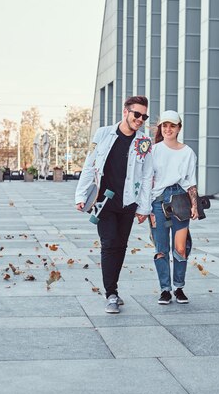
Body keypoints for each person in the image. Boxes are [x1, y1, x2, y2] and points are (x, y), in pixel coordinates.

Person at [75, 96, 153, 314]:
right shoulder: (103, 134)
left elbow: (147, 176)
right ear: (125, 112)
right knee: (109, 243)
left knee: (121, 246)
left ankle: (113, 290)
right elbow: (89, 165)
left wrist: (143, 208)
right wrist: (80, 196)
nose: (140, 119)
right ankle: (111, 293)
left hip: (129, 202)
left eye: (144, 116)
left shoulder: (144, 142)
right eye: (136, 114)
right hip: (104, 201)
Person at [149, 110, 198, 305]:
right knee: (161, 248)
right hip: (158, 202)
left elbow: (190, 181)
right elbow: (147, 180)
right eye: (165, 125)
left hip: (180, 200)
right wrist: (146, 208)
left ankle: (179, 287)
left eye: (173, 126)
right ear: (161, 127)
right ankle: (165, 290)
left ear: (179, 128)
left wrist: (194, 204)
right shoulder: (154, 150)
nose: (168, 129)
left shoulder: (187, 152)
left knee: (180, 247)